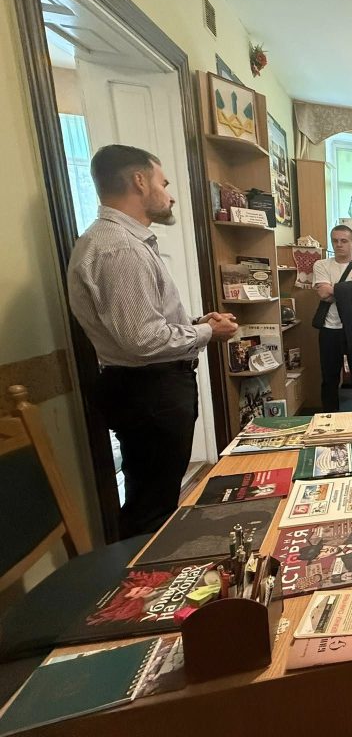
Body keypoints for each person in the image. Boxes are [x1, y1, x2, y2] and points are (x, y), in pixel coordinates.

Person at [68, 144, 238, 539]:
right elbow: (142, 339)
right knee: (151, 506)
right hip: (147, 390)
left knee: (156, 493)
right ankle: (142, 573)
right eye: (164, 183)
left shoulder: (120, 242)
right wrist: (208, 332)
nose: (170, 195)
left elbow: (139, 325)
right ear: (139, 181)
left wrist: (195, 323)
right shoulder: (120, 248)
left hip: (148, 387)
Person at [313, 224, 352, 411]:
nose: (339, 244)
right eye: (335, 241)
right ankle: (329, 417)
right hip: (329, 329)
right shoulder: (321, 265)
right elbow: (323, 294)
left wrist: (335, 290)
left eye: (344, 241)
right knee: (329, 378)